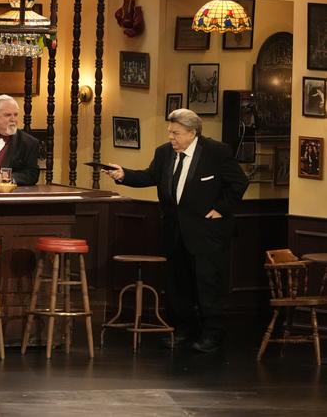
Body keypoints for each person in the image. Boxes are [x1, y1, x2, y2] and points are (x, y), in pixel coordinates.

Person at [102, 108, 248, 353]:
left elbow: (239, 182)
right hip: (174, 230)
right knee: (177, 284)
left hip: (207, 232)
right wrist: (123, 175)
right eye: (170, 132)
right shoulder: (164, 153)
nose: (171, 137)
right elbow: (150, 176)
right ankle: (183, 329)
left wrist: (222, 209)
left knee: (207, 283)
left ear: (192, 133)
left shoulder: (216, 152)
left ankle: (212, 333)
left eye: (176, 133)